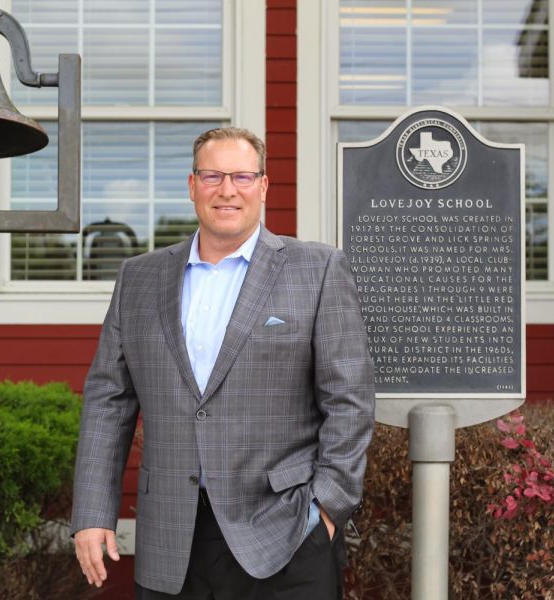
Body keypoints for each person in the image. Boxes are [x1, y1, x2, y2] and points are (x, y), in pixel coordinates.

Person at [71, 127, 374, 599]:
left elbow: (349, 400)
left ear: (263, 186)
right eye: (212, 176)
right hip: (171, 537)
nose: (227, 189)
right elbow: (108, 402)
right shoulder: (139, 278)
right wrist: (92, 513)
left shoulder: (316, 270)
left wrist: (327, 509)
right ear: (192, 186)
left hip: (286, 533)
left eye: (241, 176)